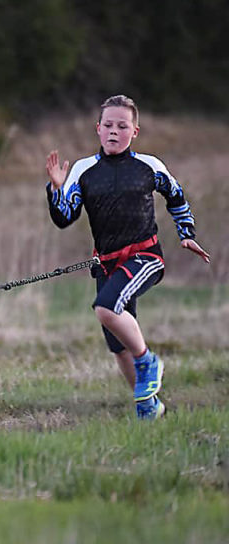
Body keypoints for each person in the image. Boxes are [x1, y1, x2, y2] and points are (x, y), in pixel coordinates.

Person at [45, 95, 210, 420]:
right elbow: (64, 218)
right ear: (98, 129)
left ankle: (149, 360)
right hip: (106, 263)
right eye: (108, 125)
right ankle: (149, 407)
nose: (114, 131)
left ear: (135, 131)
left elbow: (175, 196)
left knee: (106, 309)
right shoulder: (83, 170)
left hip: (145, 256)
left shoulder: (149, 166)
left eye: (122, 126)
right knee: (118, 346)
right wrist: (55, 189)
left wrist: (186, 233)